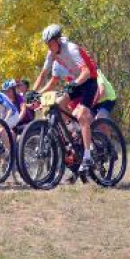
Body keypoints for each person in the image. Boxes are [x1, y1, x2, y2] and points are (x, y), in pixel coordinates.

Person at [31, 24, 98, 175]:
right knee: (58, 105)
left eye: (50, 43)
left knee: (82, 114)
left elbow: (86, 72)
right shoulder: (51, 53)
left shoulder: (71, 49)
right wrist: (33, 92)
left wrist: (73, 84)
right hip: (76, 81)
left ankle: (87, 156)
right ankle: (74, 129)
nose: (48, 47)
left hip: (89, 80)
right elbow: (43, 74)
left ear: (58, 40)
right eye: (46, 44)